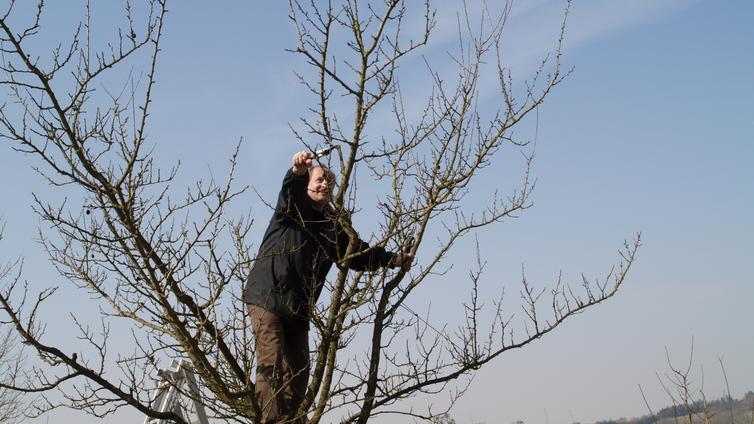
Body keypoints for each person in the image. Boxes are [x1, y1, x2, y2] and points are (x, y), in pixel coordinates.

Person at [244, 150, 413, 423]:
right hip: (269, 297)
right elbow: (290, 190)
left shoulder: (332, 226)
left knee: (299, 371)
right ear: (308, 183)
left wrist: (393, 260)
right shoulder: (293, 208)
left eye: (330, 182)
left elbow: (356, 255)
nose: (326, 185)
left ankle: (290, 420)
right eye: (320, 179)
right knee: (271, 363)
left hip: (298, 307)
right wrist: (298, 171)